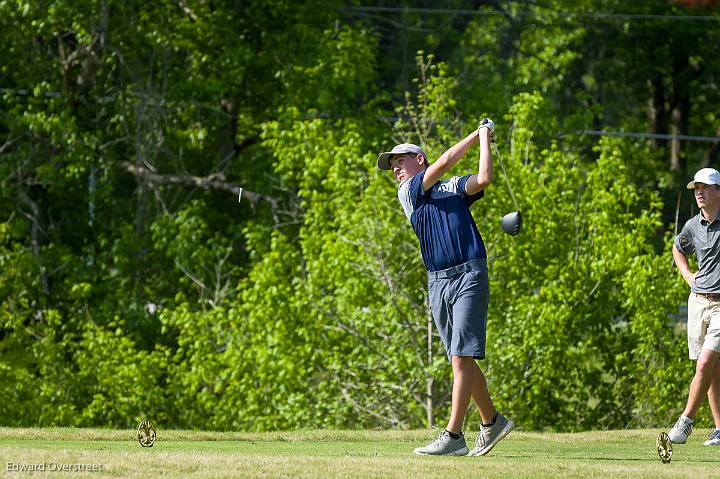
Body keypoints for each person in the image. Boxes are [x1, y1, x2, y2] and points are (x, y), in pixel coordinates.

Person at [376, 118, 514, 456]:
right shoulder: (408, 192)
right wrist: (476, 132)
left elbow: (484, 178)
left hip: (469, 273)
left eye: (400, 161)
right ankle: (492, 421)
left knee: (461, 357)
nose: (396, 169)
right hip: (437, 281)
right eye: (392, 166)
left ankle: (454, 437)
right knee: (459, 358)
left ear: (417, 159)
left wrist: (485, 140)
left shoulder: (451, 188)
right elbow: (445, 161)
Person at [669, 167, 720, 446]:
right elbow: (678, 248)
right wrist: (688, 276)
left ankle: (685, 422)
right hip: (698, 301)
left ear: (718, 191)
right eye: (696, 188)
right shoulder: (692, 226)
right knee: (710, 369)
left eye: (705, 187)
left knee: (704, 364)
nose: (699, 192)